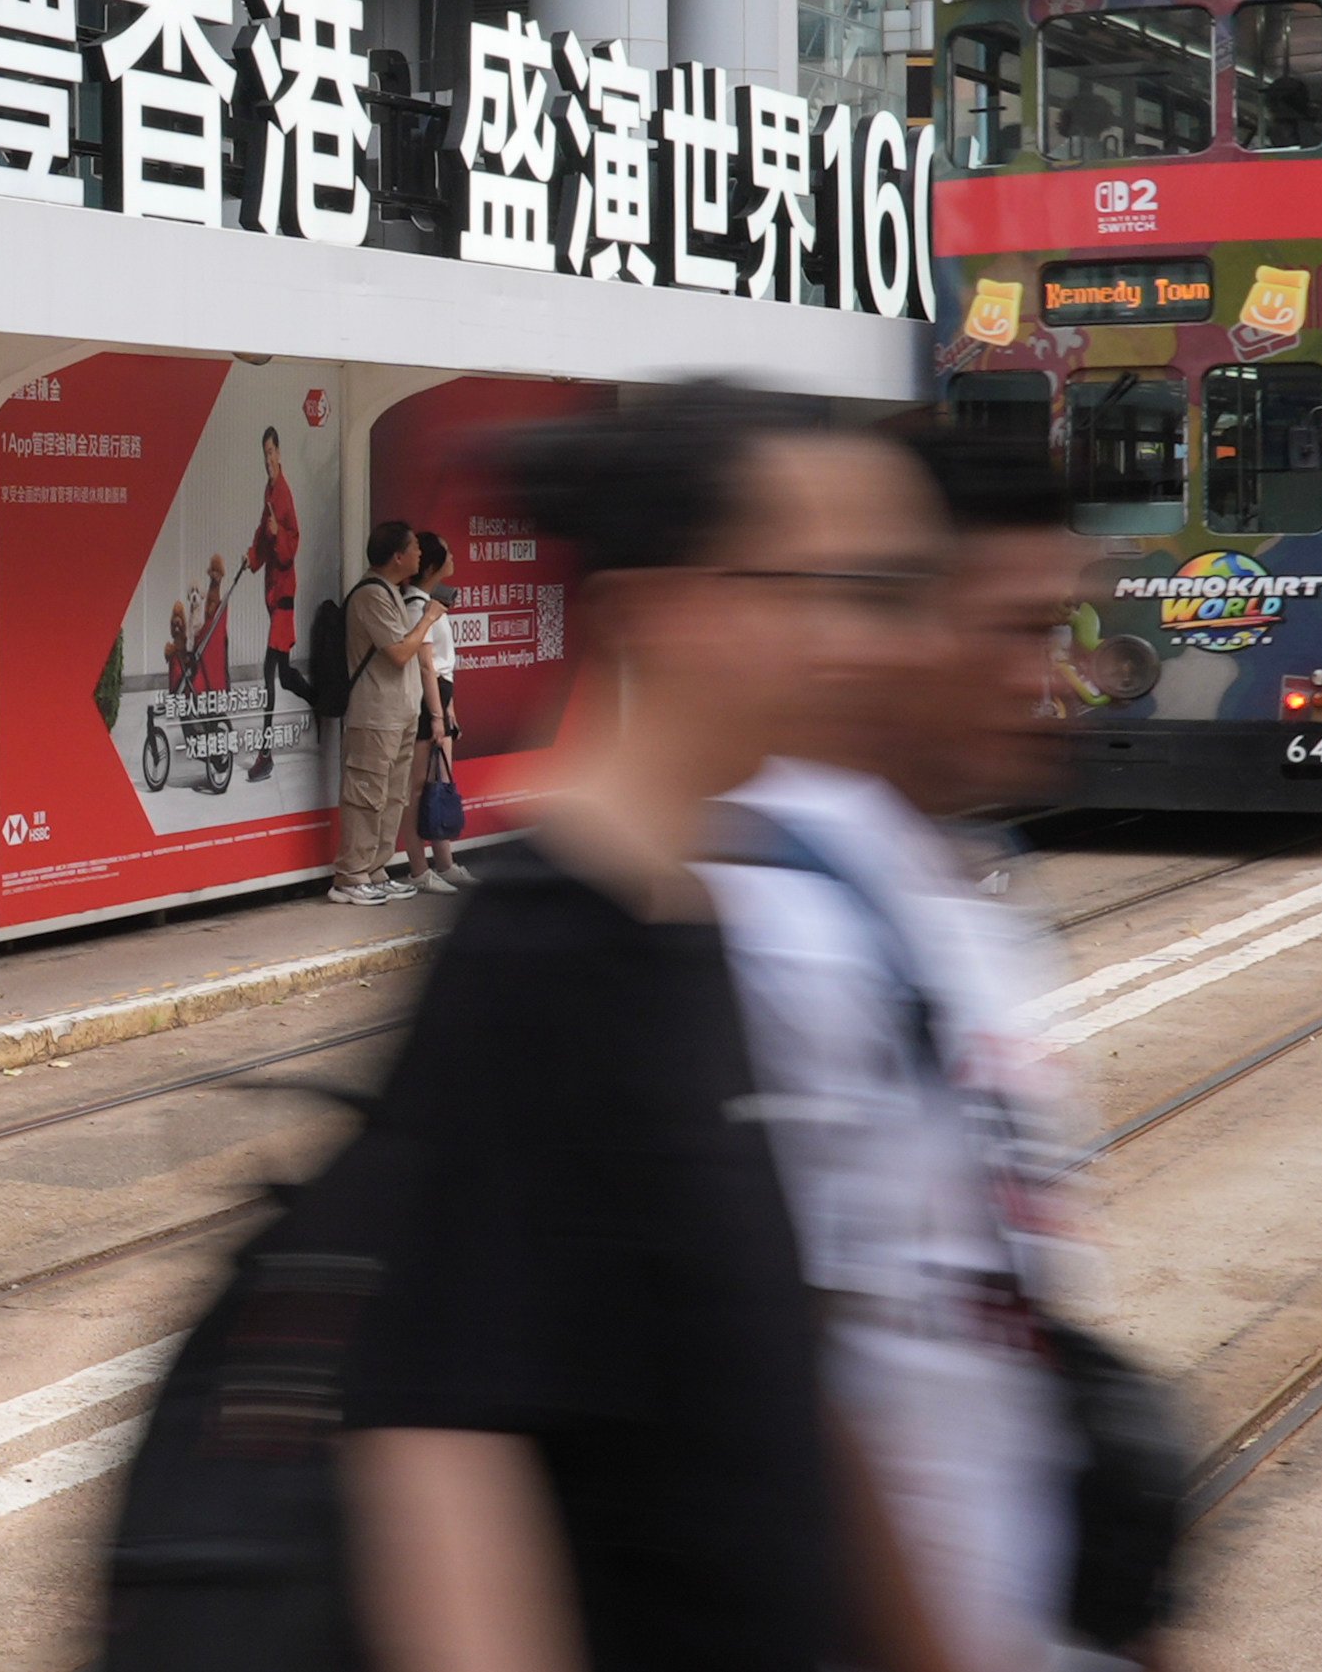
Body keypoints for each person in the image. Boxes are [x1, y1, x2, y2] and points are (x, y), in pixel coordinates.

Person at [337, 391, 959, 1672]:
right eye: (807, 586)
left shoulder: (699, 911)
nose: (853, 639)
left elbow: (777, 1375)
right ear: (658, 607)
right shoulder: (536, 957)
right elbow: (439, 1443)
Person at [697, 423, 1122, 1672]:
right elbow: (783, 1388)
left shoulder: (954, 895)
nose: (1052, 680)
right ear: (894, 622)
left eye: (1064, 631)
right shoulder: (774, 926)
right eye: (1018, 630)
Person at [330, 521, 442, 905]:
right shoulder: (370, 596)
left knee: (393, 795)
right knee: (366, 793)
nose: (420, 554)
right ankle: (350, 875)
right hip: (374, 713)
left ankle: (375, 870)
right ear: (397, 556)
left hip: (399, 713)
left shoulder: (392, 592)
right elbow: (397, 653)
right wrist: (428, 618)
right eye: (414, 547)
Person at [395, 530, 467, 895]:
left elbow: (442, 666)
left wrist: (449, 709)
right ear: (434, 566)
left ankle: (445, 862)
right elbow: (425, 666)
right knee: (418, 788)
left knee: (440, 783)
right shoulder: (416, 607)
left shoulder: (433, 603)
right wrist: (437, 715)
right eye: (448, 554)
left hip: (440, 699)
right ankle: (418, 867)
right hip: (426, 702)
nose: (454, 558)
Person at [240, 426, 312, 781]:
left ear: (280, 453)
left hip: (283, 594)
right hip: (274, 592)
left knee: (269, 674)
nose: (268, 458)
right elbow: (262, 531)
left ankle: (264, 755)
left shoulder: (283, 492)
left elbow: (291, 543)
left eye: (272, 452)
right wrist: (252, 556)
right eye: (264, 452)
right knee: (285, 677)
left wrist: (275, 535)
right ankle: (321, 704)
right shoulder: (270, 490)